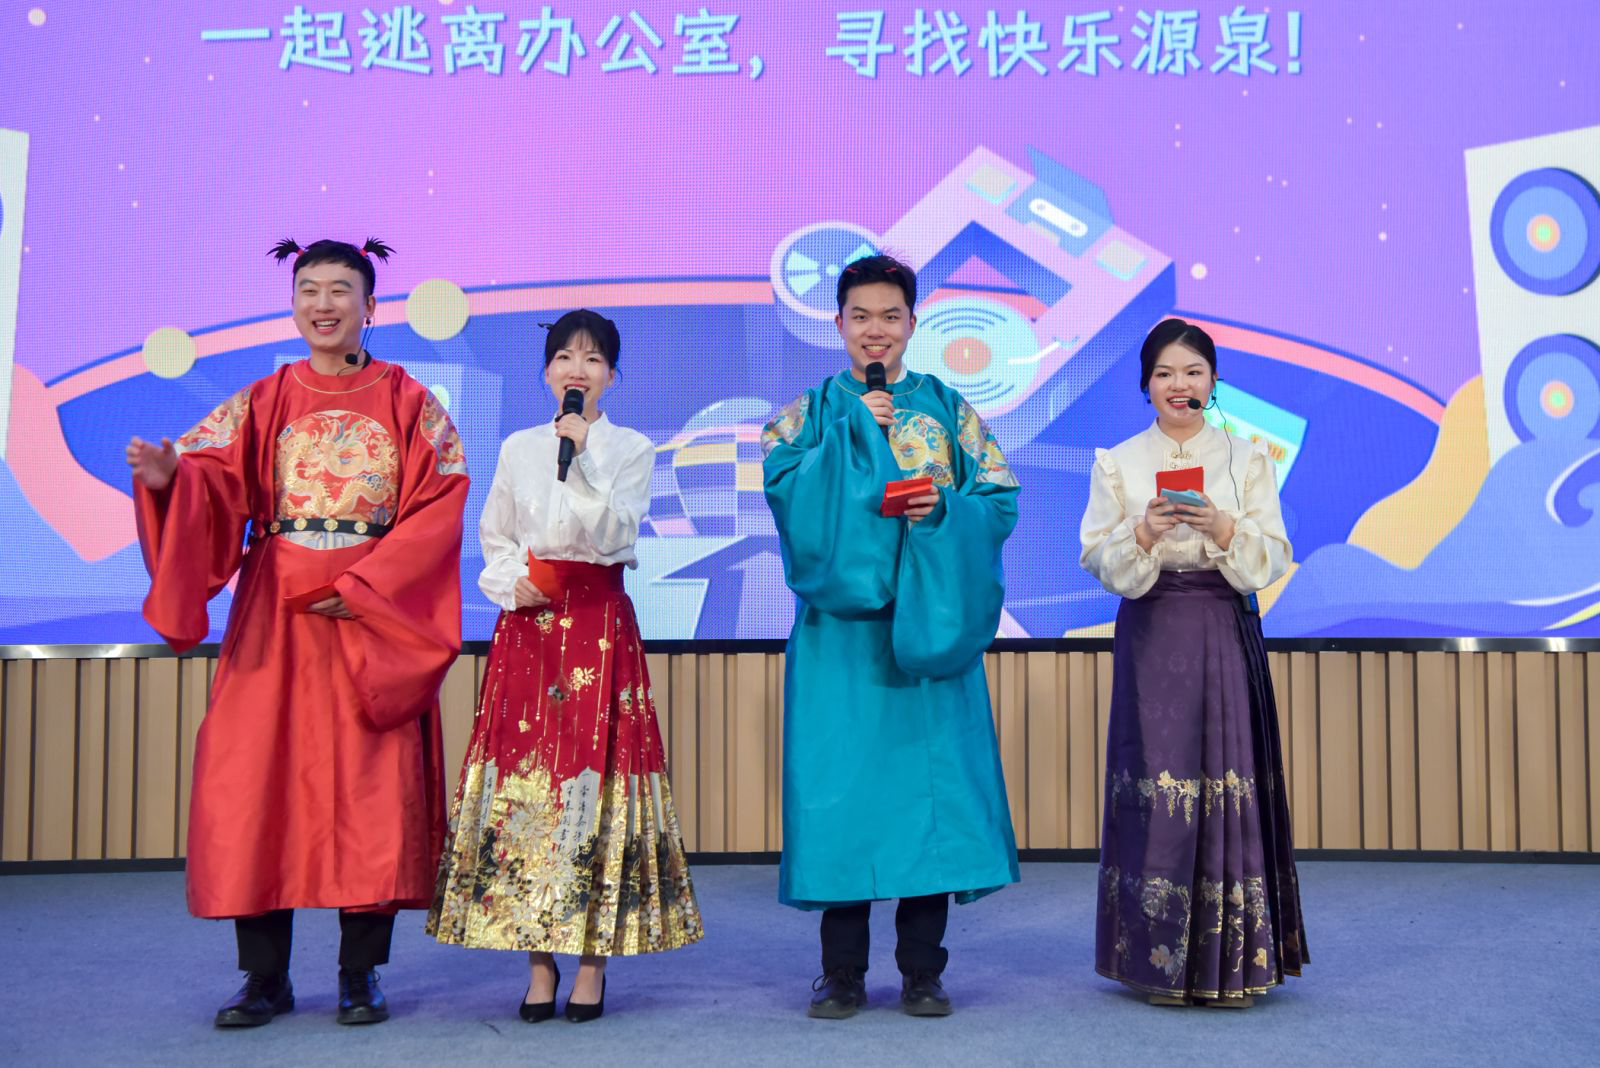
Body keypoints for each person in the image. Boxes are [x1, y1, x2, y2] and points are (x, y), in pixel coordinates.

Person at [126, 238, 469, 1027]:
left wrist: (370, 588)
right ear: (293, 305)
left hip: (367, 620)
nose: (323, 303)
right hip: (277, 614)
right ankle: (264, 978)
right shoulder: (263, 398)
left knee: (371, 787)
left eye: (340, 289)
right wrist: (171, 481)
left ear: (370, 306)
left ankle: (359, 973)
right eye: (308, 289)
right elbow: (212, 480)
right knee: (256, 780)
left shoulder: (411, 401)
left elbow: (440, 503)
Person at [761, 254, 1020, 1019]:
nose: (875, 331)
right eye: (861, 316)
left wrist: (943, 513)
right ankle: (842, 971)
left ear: (912, 322)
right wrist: (849, 438)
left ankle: (922, 970)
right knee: (841, 801)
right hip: (841, 641)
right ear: (838, 323)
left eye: (890, 316)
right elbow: (785, 494)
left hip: (927, 626)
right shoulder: (808, 414)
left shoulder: (948, 408)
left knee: (928, 804)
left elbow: (998, 501)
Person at [427, 309, 703, 1024]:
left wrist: (580, 460)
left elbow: (614, 533)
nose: (577, 370)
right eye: (564, 358)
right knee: (531, 791)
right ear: (547, 371)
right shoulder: (519, 446)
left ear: (611, 375)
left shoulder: (631, 448)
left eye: (592, 359)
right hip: (528, 628)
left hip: (598, 627)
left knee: (595, 786)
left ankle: (590, 966)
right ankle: (538, 963)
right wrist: (508, 580)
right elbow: (495, 535)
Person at [1079, 317, 1308, 1007]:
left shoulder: (1248, 459)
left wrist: (1224, 526)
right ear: (1146, 385)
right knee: (1160, 784)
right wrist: (1144, 531)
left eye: (1193, 372)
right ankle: (1159, 963)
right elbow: (1097, 557)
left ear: (1212, 382)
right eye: (1165, 374)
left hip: (1223, 622)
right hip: (1152, 628)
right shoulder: (1118, 462)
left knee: (1228, 780)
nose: (1179, 384)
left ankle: (1233, 963)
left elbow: (1274, 555)